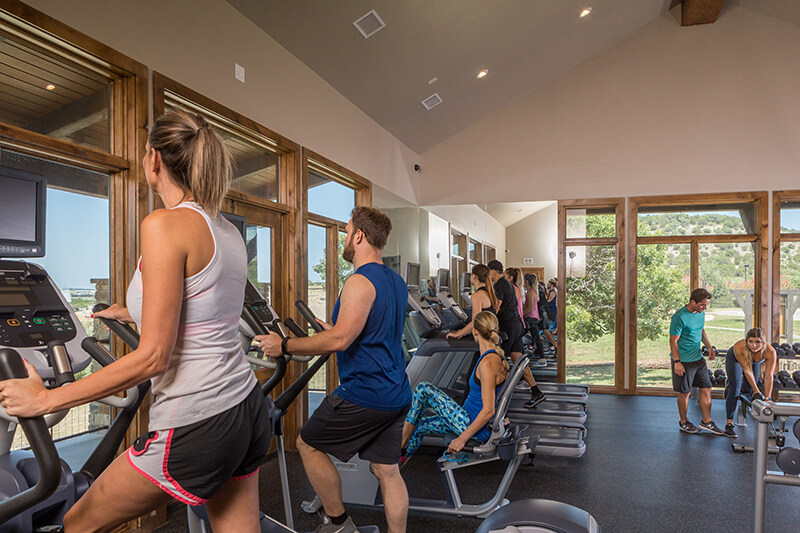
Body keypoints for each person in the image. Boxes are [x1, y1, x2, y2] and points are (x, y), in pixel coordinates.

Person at [0, 109, 267, 532]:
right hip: (246, 408)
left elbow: (154, 357)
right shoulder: (226, 232)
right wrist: (127, 310)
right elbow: (203, 301)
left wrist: (47, 400)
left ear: (154, 160)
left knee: (79, 523)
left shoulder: (164, 225)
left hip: (195, 419)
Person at [257, 206, 411, 533]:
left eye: (346, 231)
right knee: (387, 471)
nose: (344, 238)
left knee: (308, 444)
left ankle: (339, 524)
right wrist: (335, 328)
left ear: (358, 236)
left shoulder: (358, 281)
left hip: (364, 392)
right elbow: (371, 329)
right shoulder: (395, 282)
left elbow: (341, 340)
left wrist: (282, 346)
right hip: (396, 392)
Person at [403, 311, 508, 458]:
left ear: (475, 331)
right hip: (466, 417)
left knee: (423, 389)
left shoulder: (488, 363)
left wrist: (461, 439)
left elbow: (488, 411)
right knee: (419, 427)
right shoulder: (491, 357)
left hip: (469, 424)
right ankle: (398, 463)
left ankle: (400, 445)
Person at [487, 260, 545, 408]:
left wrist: (485, 320)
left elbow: (497, 307)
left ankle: (497, 400)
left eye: (489, 271)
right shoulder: (508, 284)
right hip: (517, 324)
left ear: (493, 271)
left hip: (509, 326)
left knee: (499, 361)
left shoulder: (500, 285)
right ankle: (536, 392)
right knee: (517, 359)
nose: (489, 274)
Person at [669, 288, 725, 435]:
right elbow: (673, 341)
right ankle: (683, 422)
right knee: (685, 393)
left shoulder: (701, 313)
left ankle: (706, 422)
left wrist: (709, 346)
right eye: (702, 305)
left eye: (706, 305)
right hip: (684, 360)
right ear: (692, 302)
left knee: (706, 388)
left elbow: (701, 330)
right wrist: (677, 362)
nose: (704, 308)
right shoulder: (679, 317)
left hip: (698, 359)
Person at [723, 328, 777, 438]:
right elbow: (747, 370)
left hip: (755, 360)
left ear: (763, 342)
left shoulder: (770, 352)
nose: (754, 345)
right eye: (751, 341)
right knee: (735, 389)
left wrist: (768, 398)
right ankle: (729, 423)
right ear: (747, 341)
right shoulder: (740, 347)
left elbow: (768, 376)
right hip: (735, 359)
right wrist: (757, 391)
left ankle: (739, 392)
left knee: (749, 390)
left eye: (757, 342)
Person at [446, 263, 498, 340]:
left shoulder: (477, 295)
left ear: (474, 276)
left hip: (484, 337)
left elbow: (475, 322)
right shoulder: (489, 293)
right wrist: (463, 331)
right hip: (490, 334)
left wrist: (458, 333)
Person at [522, 274, 545, 358]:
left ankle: (542, 358)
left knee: (536, 338)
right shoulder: (530, 291)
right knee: (534, 337)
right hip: (531, 317)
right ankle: (537, 352)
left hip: (532, 317)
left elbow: (530, 306)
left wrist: (522, 313)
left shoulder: (531, 292)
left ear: (526, 282)